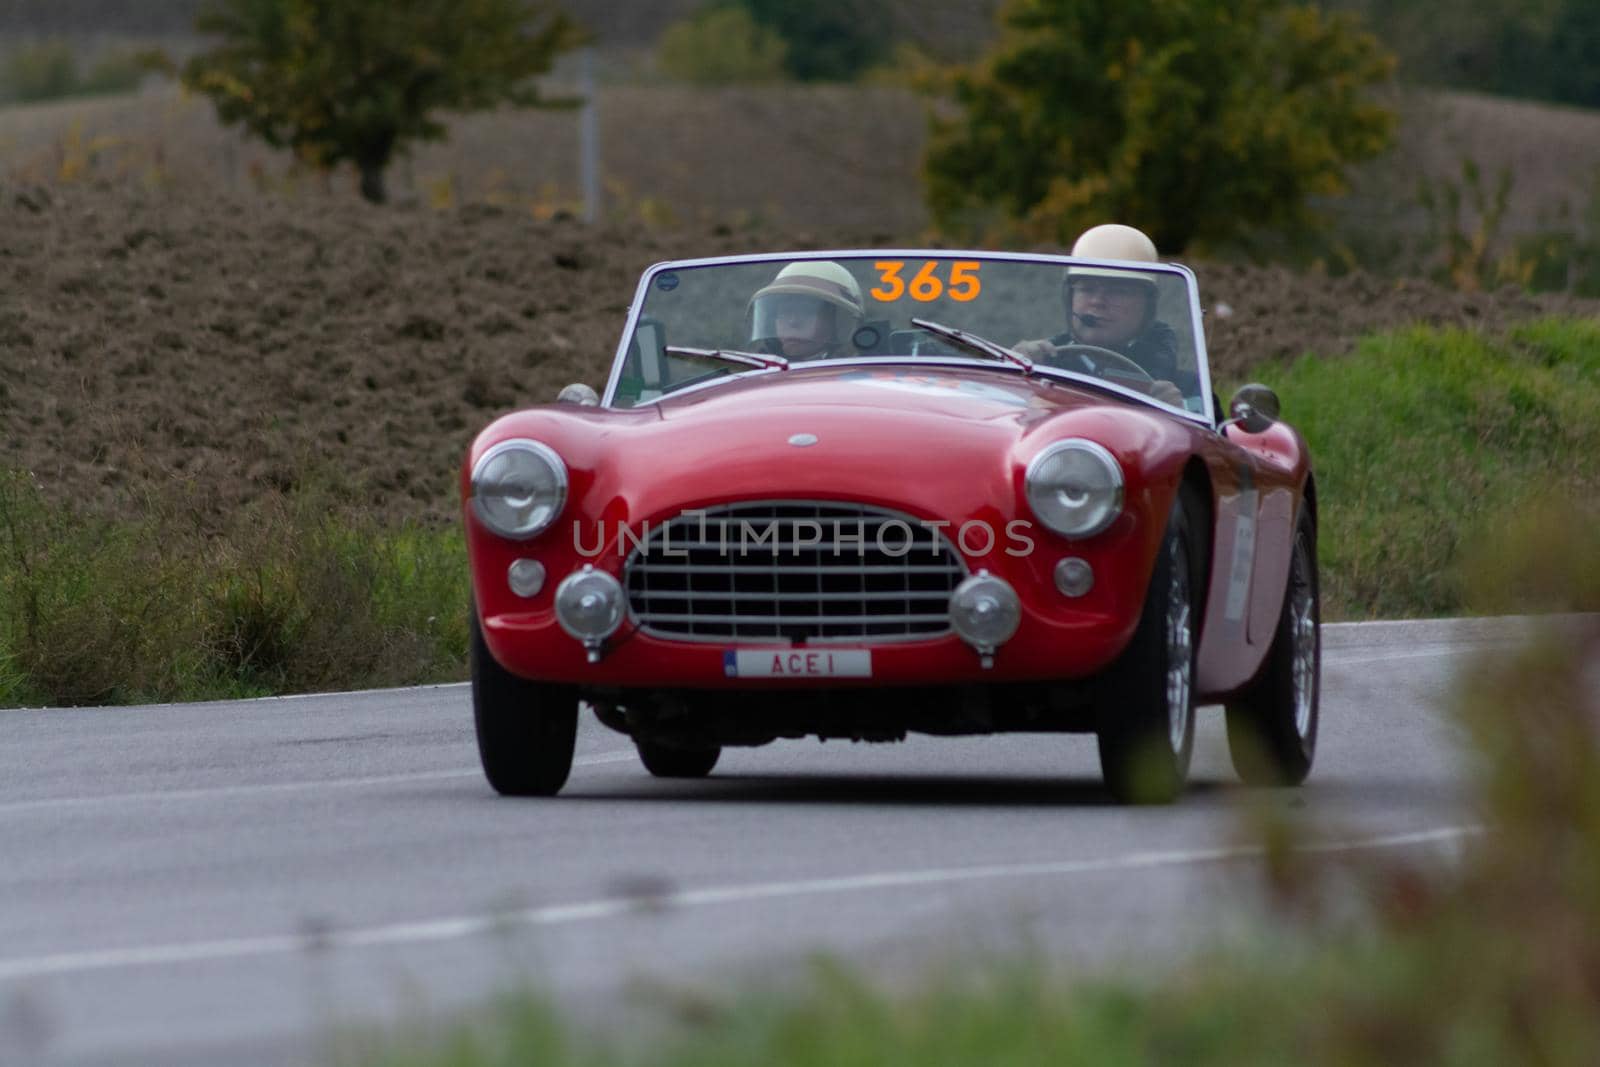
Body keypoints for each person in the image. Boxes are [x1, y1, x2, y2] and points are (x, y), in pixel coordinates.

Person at [1014, 224, 1192, 406]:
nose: (1097, 301)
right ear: (1069, 298)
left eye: (1118, 291)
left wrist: (1181, 415)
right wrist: (1012, 371)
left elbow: (1213, 432)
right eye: (1087, 288)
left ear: (1147, 305)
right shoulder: (1038, 370)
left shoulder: (1189, 391)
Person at [748, 261, 864, 361]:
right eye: (784, 312)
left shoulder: (862, 377)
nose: (793, 321)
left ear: (840, 322)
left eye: (807, 312)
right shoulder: (751, 374)